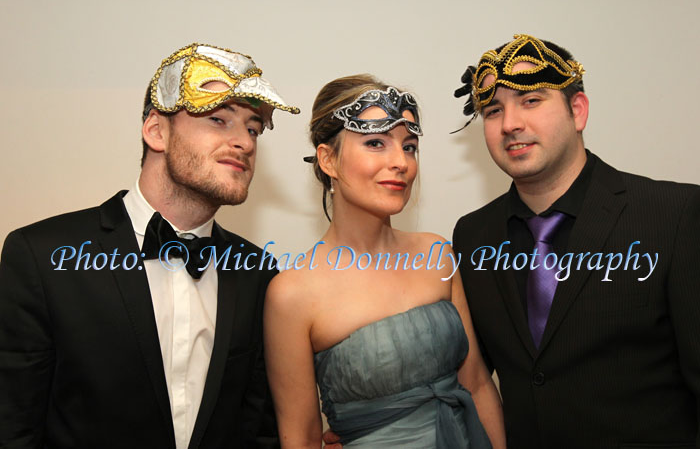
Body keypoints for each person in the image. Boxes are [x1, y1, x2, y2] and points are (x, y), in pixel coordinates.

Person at [0, 42, 299, 448]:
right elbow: (14, 426)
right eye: (218, 119)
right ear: (156, 131)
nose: (245, 142)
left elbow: (259, 430)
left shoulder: (258, 272)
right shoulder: (40, 256)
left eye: (252, 128)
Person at [451, 34, 700, 448]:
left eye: (531, 101)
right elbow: (470, 374)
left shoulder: (674, 215)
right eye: (493, 110)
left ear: (577, 110)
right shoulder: (473, 235)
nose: (510, 123)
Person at [264, 74, 505, 448]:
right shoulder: (293, 294)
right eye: (376, 143)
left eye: (409, 147)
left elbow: (476, 384)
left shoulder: (437, 255)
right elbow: (301, 437)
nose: (401, 163)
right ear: (328, 159)